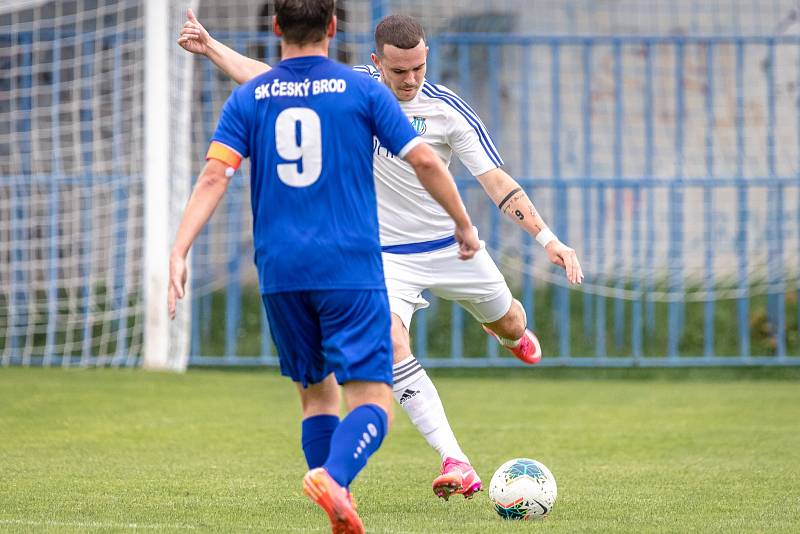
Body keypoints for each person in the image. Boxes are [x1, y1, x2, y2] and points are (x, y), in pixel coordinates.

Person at [178, 10, 583, 501]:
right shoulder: (354, 89)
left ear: (426, 58)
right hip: (387, 257)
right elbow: (272, 81)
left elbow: (497, 182)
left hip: (456, 248)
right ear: (377, 62)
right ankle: (455, 460)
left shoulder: (449, 112)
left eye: (418, 69)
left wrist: (549, 240)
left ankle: (507, 333)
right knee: (391, 346)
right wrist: (212, 46)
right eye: (399, 71)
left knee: (511, 323)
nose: (410, 80)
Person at [168, 1, 480, 532]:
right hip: (348, 266)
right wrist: (462, 224)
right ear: (334, 28)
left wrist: (178, 250)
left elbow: (214, 177)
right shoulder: (362, 91)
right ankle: (335, 478)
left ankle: (337, 499)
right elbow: (424, 158)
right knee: (374, 398)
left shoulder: (251, 97)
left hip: (280, 272)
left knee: (316, 395)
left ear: (274, 28)